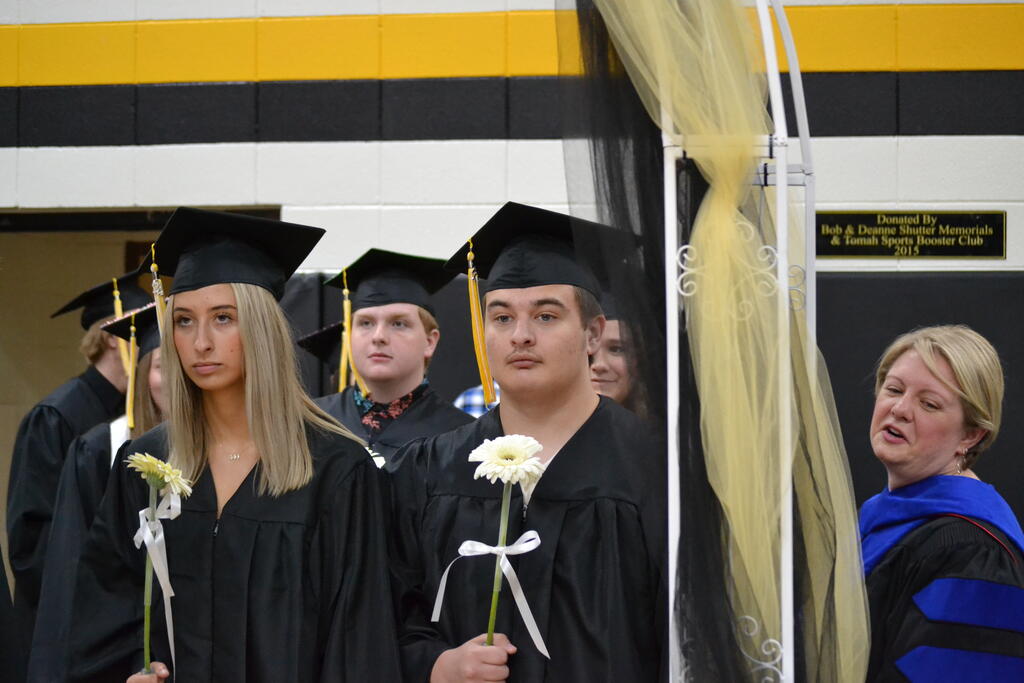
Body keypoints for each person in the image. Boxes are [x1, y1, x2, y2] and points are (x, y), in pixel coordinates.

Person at [67, 208, 402, 682]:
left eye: (223, 318)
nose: (201, 342)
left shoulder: (334, 468)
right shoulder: (145, 465)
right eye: (184, 321)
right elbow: (104, 611)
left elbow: (358, 639)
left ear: (262, 328)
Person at [390, 202, 666, 682]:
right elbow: (381, 614)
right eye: (501, 318)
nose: (520, 336)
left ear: (593, 334)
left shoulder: (654, 467)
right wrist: (434, 665)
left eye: (545, 316)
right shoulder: (429, 470)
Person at [858, 325, 1024, 680]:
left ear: (971, 435)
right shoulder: (876, 523)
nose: (900, 409)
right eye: (894, 389)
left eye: (929, 404)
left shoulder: (972, 553)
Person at [28, 302, 166, 683]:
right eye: (161, 366)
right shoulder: (101, 449)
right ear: (143, 372)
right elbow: (71, 568)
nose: (174, 379)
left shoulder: (224, 453)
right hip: (116, 654)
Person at [6, 273, 150, 637]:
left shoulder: (135, 415)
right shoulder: (56, 416)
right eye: (140, 329)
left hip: (115, 619)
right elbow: (31, 539)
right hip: (63, 620)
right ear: (112, 337)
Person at [298, 249, 472, 470]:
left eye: (398, 323)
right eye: (365, 323)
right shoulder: (310, 422)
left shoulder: (462, 436)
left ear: (430, 342)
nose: (378, 336)